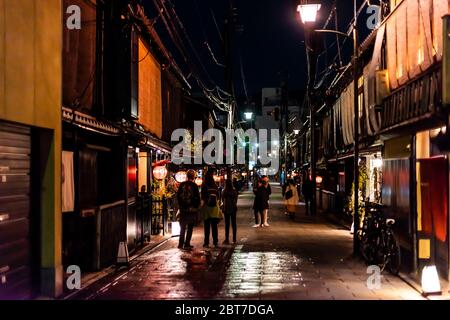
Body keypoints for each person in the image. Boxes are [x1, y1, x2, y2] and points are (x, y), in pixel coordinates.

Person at [176, 170, 201, 250]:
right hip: (191, 209)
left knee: (182, 227)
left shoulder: (182, 184)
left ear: (187, 176)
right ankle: (187, 243)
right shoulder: (194, 185)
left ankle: (180, 243)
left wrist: (180, 205)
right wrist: (196, 206)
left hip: (183, 208)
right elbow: (197, 197)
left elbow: (178, 196)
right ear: (193, 177)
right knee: (190, 227)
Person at [201, 169, 221, 248]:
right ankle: (215, 241)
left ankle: (206, 242)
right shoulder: (215, 185)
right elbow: (218, 196)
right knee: (214, 226)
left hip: (206, 207)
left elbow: (202, 196)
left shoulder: (204, 185)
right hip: (214, 208)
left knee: (207, 226)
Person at [222, 179, 238, 244]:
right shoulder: (234, 191)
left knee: (227, 224)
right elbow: (236, 199)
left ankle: (227, 239)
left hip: (226, 208)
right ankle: (234, 239)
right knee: (234, 224)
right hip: (233, 208)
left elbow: (222, 199)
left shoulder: (224, 191)